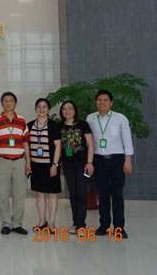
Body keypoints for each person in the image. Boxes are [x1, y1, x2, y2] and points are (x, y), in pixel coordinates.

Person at [86, 89, 134, 238]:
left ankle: (119, 228)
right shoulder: (90, 118)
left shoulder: (120, 118)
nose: (102, 102)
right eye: (99, 100)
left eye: (105, 100)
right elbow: (88, 142)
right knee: (103, 195)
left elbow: (127, 140)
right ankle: (104, 225)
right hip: (99, 160)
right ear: (96, 102)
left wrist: (128, 160)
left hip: (117, 160)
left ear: (111, 103)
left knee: (117, 194)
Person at [0, 91, 31, 235]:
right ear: (1, 103)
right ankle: (6, 223)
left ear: (16, 103)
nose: (8, 103)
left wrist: (28, 162)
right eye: (5, 101)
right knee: (2, 194)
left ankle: (17, 223)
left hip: (19, 161)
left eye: (11, 101)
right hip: (1, 161)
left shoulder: (22, 120)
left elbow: (25, 143)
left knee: (20, 194)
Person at [60, 100, 94, 234]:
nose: (67, 111)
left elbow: (90, 145)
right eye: (64, 109)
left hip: (82, 164)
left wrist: (89, 162)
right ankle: (75, 223)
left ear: (75, 110)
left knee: (81, 192)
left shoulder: (82, 125)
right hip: (67, 164)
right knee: (73, 193)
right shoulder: (60, 126)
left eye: (70, 108)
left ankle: (81, 225)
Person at [27, 98, 61, 230]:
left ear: (48, 109)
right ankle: (42, 221)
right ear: (35, 109)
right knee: (39, 193)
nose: (42, 109)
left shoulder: (53, 125)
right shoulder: (29, 125)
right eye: (39, 107)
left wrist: (55, 164)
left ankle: (51, 222)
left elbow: (58, 146)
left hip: (50, 165)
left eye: (44, 107)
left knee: (52, 193)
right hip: (36, 165)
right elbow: (27, 146)